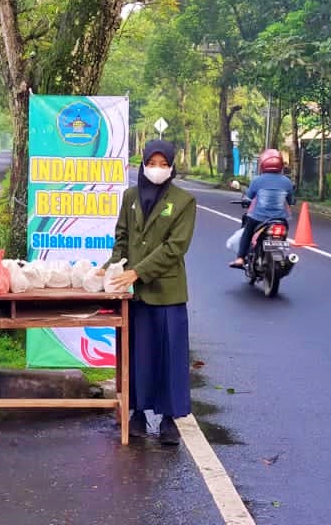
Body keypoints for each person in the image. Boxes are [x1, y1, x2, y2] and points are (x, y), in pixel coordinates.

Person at [99, 140, 197, 446]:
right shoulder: (130, 197)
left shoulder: (184, 201)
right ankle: (137, 414)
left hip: (167, 292)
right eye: (152, 163)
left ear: (171, 167)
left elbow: (174, 248)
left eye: (163, 164)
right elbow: (122, 237)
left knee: (169, 356)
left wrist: (138, 271)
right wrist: (112, 268)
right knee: (137, 356)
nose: (157, 169)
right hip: (135, 294)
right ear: (142, 164)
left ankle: (169, 420)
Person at [230, 149, 294, 269]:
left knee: (247, 233)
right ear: (280, 165)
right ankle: (280, 254)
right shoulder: (287, 182)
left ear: (263, 164)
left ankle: (240, 258)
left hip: (259, 218)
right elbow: (290, 201)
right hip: (280, 220)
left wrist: (245, 201)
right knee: (283, 234)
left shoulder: (257, 180)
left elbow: (249, 198)